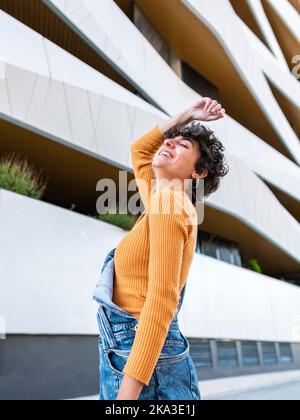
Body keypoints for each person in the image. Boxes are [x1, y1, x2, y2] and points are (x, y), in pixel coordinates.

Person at [93, 98, 229, 400]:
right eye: (171, 139)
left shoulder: (170, 204)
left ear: (198, 173)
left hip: (140, 355)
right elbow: (141, 150)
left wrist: (126, 397)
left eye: (182, 146)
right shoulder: (161, 200)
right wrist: (187, 115)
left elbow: (161, 301)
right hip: (133, 350)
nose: (168, 143)